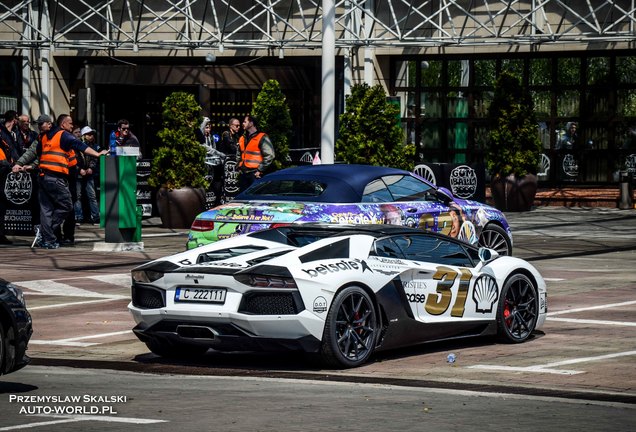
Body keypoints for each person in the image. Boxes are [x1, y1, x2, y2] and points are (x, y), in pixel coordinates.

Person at [35, 114, 108, 249]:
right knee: (67, 206)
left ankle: (48, 240)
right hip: (56, 178)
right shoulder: (64, 135)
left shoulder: (44, 137)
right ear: (63, 125)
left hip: (43, 177)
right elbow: (80, 145)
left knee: (46, 210)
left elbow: (38, 152)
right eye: (70, 123)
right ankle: (47, 232)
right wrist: (97, 154)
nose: (72, 126)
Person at [237, 114, 275, 191]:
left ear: (251, 123)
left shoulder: (261, 137)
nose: (242, 124)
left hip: (255, 174)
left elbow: (270, 155)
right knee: (243, 199)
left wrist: (260, 170)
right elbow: (239, 154)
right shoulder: (242, 138)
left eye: (245, 122)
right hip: (243, 174)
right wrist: (238, 166)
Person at [74, 126, 100, 224]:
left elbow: (94, 158)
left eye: (92, 134)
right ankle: (78, 217)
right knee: (78, 196)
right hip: (78, 174)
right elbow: (72, 160)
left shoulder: (93, 146)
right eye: (89, 134)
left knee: (92, 196)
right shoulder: (76, 144)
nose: (91, 136)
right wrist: (79, 169)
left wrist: (90, 168)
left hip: (88, 174)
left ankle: (95, 217)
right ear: (84, 136)